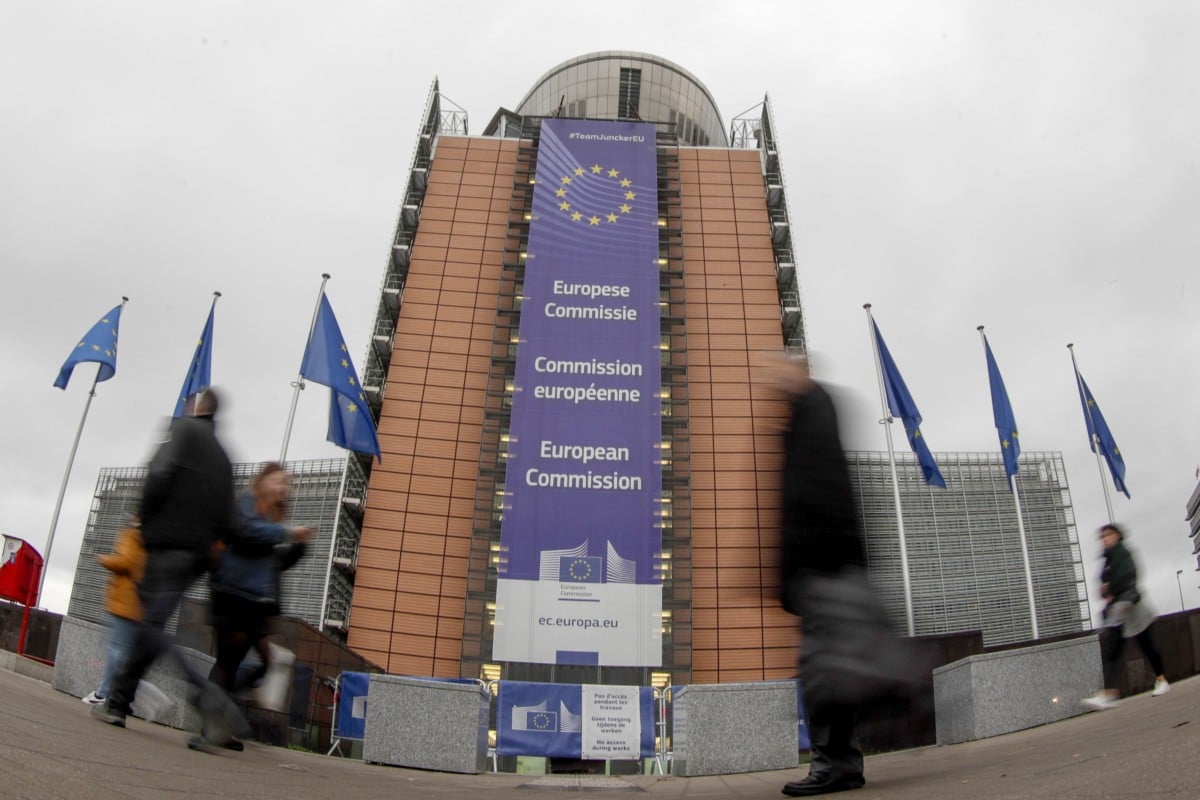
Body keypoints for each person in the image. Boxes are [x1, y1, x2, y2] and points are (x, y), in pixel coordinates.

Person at [92, 388, 245, 746]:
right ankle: (118, 703)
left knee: (151, 626)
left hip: (164, 546)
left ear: (198, 407)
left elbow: (159, 474)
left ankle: (205, 695)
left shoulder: (183, 430)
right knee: (152, 626)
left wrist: (144, 522)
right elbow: (229, 519)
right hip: (196, 557)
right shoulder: (225, 458)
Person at [774, 354, 868, 797]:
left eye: (780, 371)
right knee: (829, 671)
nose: (773, 380)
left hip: (825, 570)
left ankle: (835, 765)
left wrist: (802, 574)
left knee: (823, 674)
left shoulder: (814, 413)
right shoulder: (808, 414)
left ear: (801, 371)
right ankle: (840, 762)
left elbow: (813, 498)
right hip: (827, 569)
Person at [200, 461, 312, 751]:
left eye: (286, 483)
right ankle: (210, 723)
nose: (283, 487)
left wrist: (300, 546)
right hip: (233, 593)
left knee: (255, 662)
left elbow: (275, 563)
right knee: (229, 662)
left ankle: (214, 711)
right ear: (262, 481)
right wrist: (286, 533)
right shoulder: (248, 503)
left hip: (253, 600)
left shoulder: (274, 517)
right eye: (278, 481)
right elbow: (245, 532)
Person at [1082, 523, 1169, 710]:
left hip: (1131, 607)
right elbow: (1103, 581)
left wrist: (1110, 587)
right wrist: (1104, 589)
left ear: (1118, 536)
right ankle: (1108, 693)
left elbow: (1128, 575)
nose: (1105, 539)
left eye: (1108, 535)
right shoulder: (1107, 559)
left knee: (1146, 645)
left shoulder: (1123, 553)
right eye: (1102, 537)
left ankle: (1161, 680)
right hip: (1118, 611)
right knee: (1113, 650)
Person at [81, 520, 146, 707]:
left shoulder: (134, 535)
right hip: (136, 603)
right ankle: (114, 694)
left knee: (117, 651)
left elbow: (126, 562)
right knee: (122, 651)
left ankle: (105, 693)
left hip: (124, 601)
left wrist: (104, 559)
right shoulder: (151, 539)